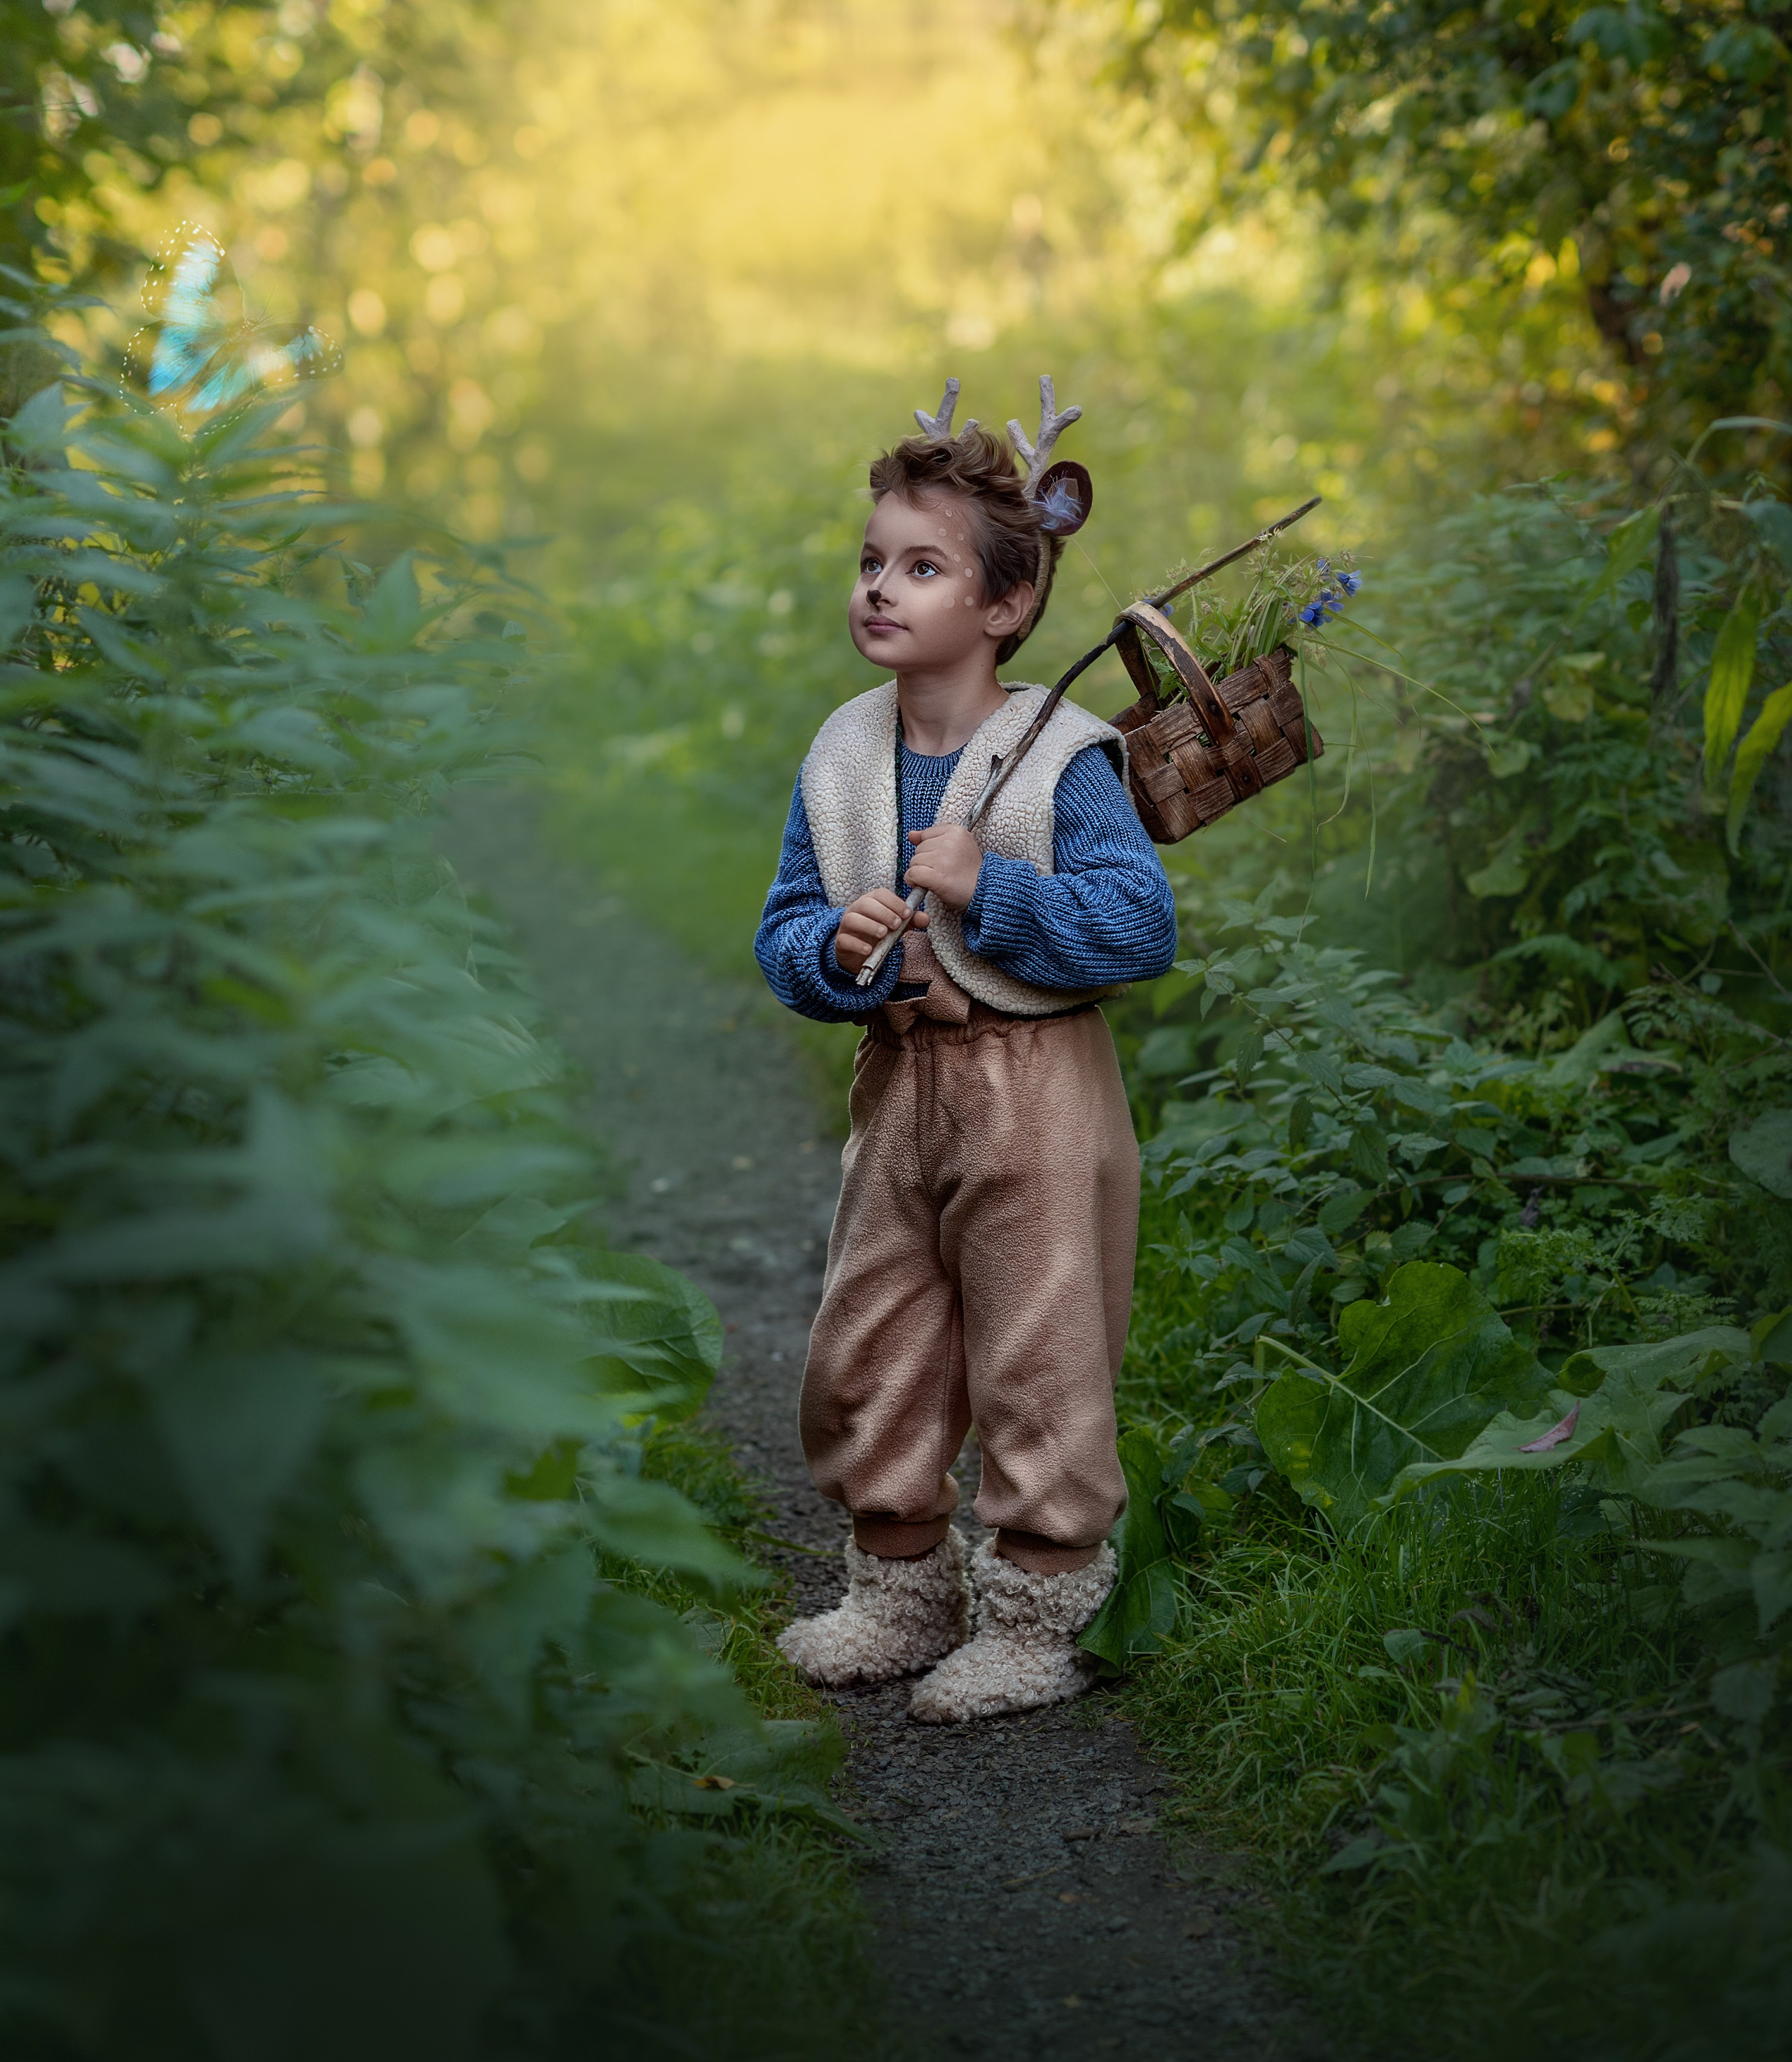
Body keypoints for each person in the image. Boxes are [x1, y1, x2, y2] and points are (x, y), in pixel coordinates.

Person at [754, 378, 1177, 1722]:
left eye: (922, 567)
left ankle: (1036, 1609)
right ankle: (898, 1589)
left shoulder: (1062, 760)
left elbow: (1136, 925)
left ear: (1003, 606)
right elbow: (779, 931)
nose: (882, 587)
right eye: (872, 561)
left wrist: (988, 886)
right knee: (871, 1335)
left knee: (1039, 1344)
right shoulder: (839, 754)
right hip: (899, 1090)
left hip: (1035, 1094)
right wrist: (832, 949)